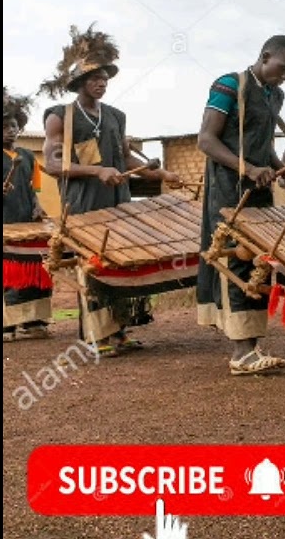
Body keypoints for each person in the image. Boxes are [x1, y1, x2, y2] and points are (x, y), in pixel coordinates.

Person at [40, 24, 180, 356]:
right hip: (83, 205)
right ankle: (95, 336)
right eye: (94, 78)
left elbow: (125, 158)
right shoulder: (60, 117)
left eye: (105, 78)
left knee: (119, 264)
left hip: (119, 202)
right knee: (93, 267)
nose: (102, 83)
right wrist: (96, 170)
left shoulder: (116, 116)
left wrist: (161, 173)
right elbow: (52, 165)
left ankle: (118, 331)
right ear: (79, 83)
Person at [196, 35, 285, 375]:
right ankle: (241, 352)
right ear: (265, 56)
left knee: (259, 261)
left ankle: (251, 346)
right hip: (228, 190)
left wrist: (283, 173)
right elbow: (206, 140)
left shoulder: (275, 95)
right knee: (236, 259)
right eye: (283, 68)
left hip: (259, 190)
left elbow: (263, 144)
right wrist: (248, 169)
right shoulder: (230, 85)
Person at [3, 87, 52, 341]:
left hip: (27, 224)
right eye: (4, 127)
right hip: (5, 226)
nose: (10, 131)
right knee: (10, 274)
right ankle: (7, 325)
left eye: (13, 126)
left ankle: (34, 322)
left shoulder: (27, 156)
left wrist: (37, 206)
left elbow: (34, 189)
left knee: (35, 270)